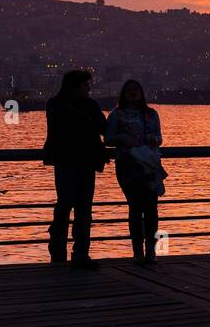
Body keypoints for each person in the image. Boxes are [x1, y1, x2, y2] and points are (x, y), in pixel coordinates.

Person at [43, 69, 107, 269]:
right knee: (69, 205)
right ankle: (65, 251)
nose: (89, 89)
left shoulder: (60, 105)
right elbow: (99, 127)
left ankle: (74, 252)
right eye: (85, 85)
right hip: (70, 161)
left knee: (81, 209)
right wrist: (88, 124)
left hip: (79, 162)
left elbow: (101, 127)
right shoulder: (57, 104)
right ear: (74, 86)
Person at [105, 80, 165, 265]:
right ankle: (138, 251)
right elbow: (107, 139)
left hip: (148, 165)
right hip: (128, 166)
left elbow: (159, 137)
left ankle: (150, 251)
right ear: (123, 94)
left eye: (135, 90)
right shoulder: (116, 115)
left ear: (141, 93)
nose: (132, 93)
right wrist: (122, 138)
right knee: (136, 207)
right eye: (129, 90)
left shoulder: (151, 114)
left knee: (151, 209)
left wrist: (154, 140)